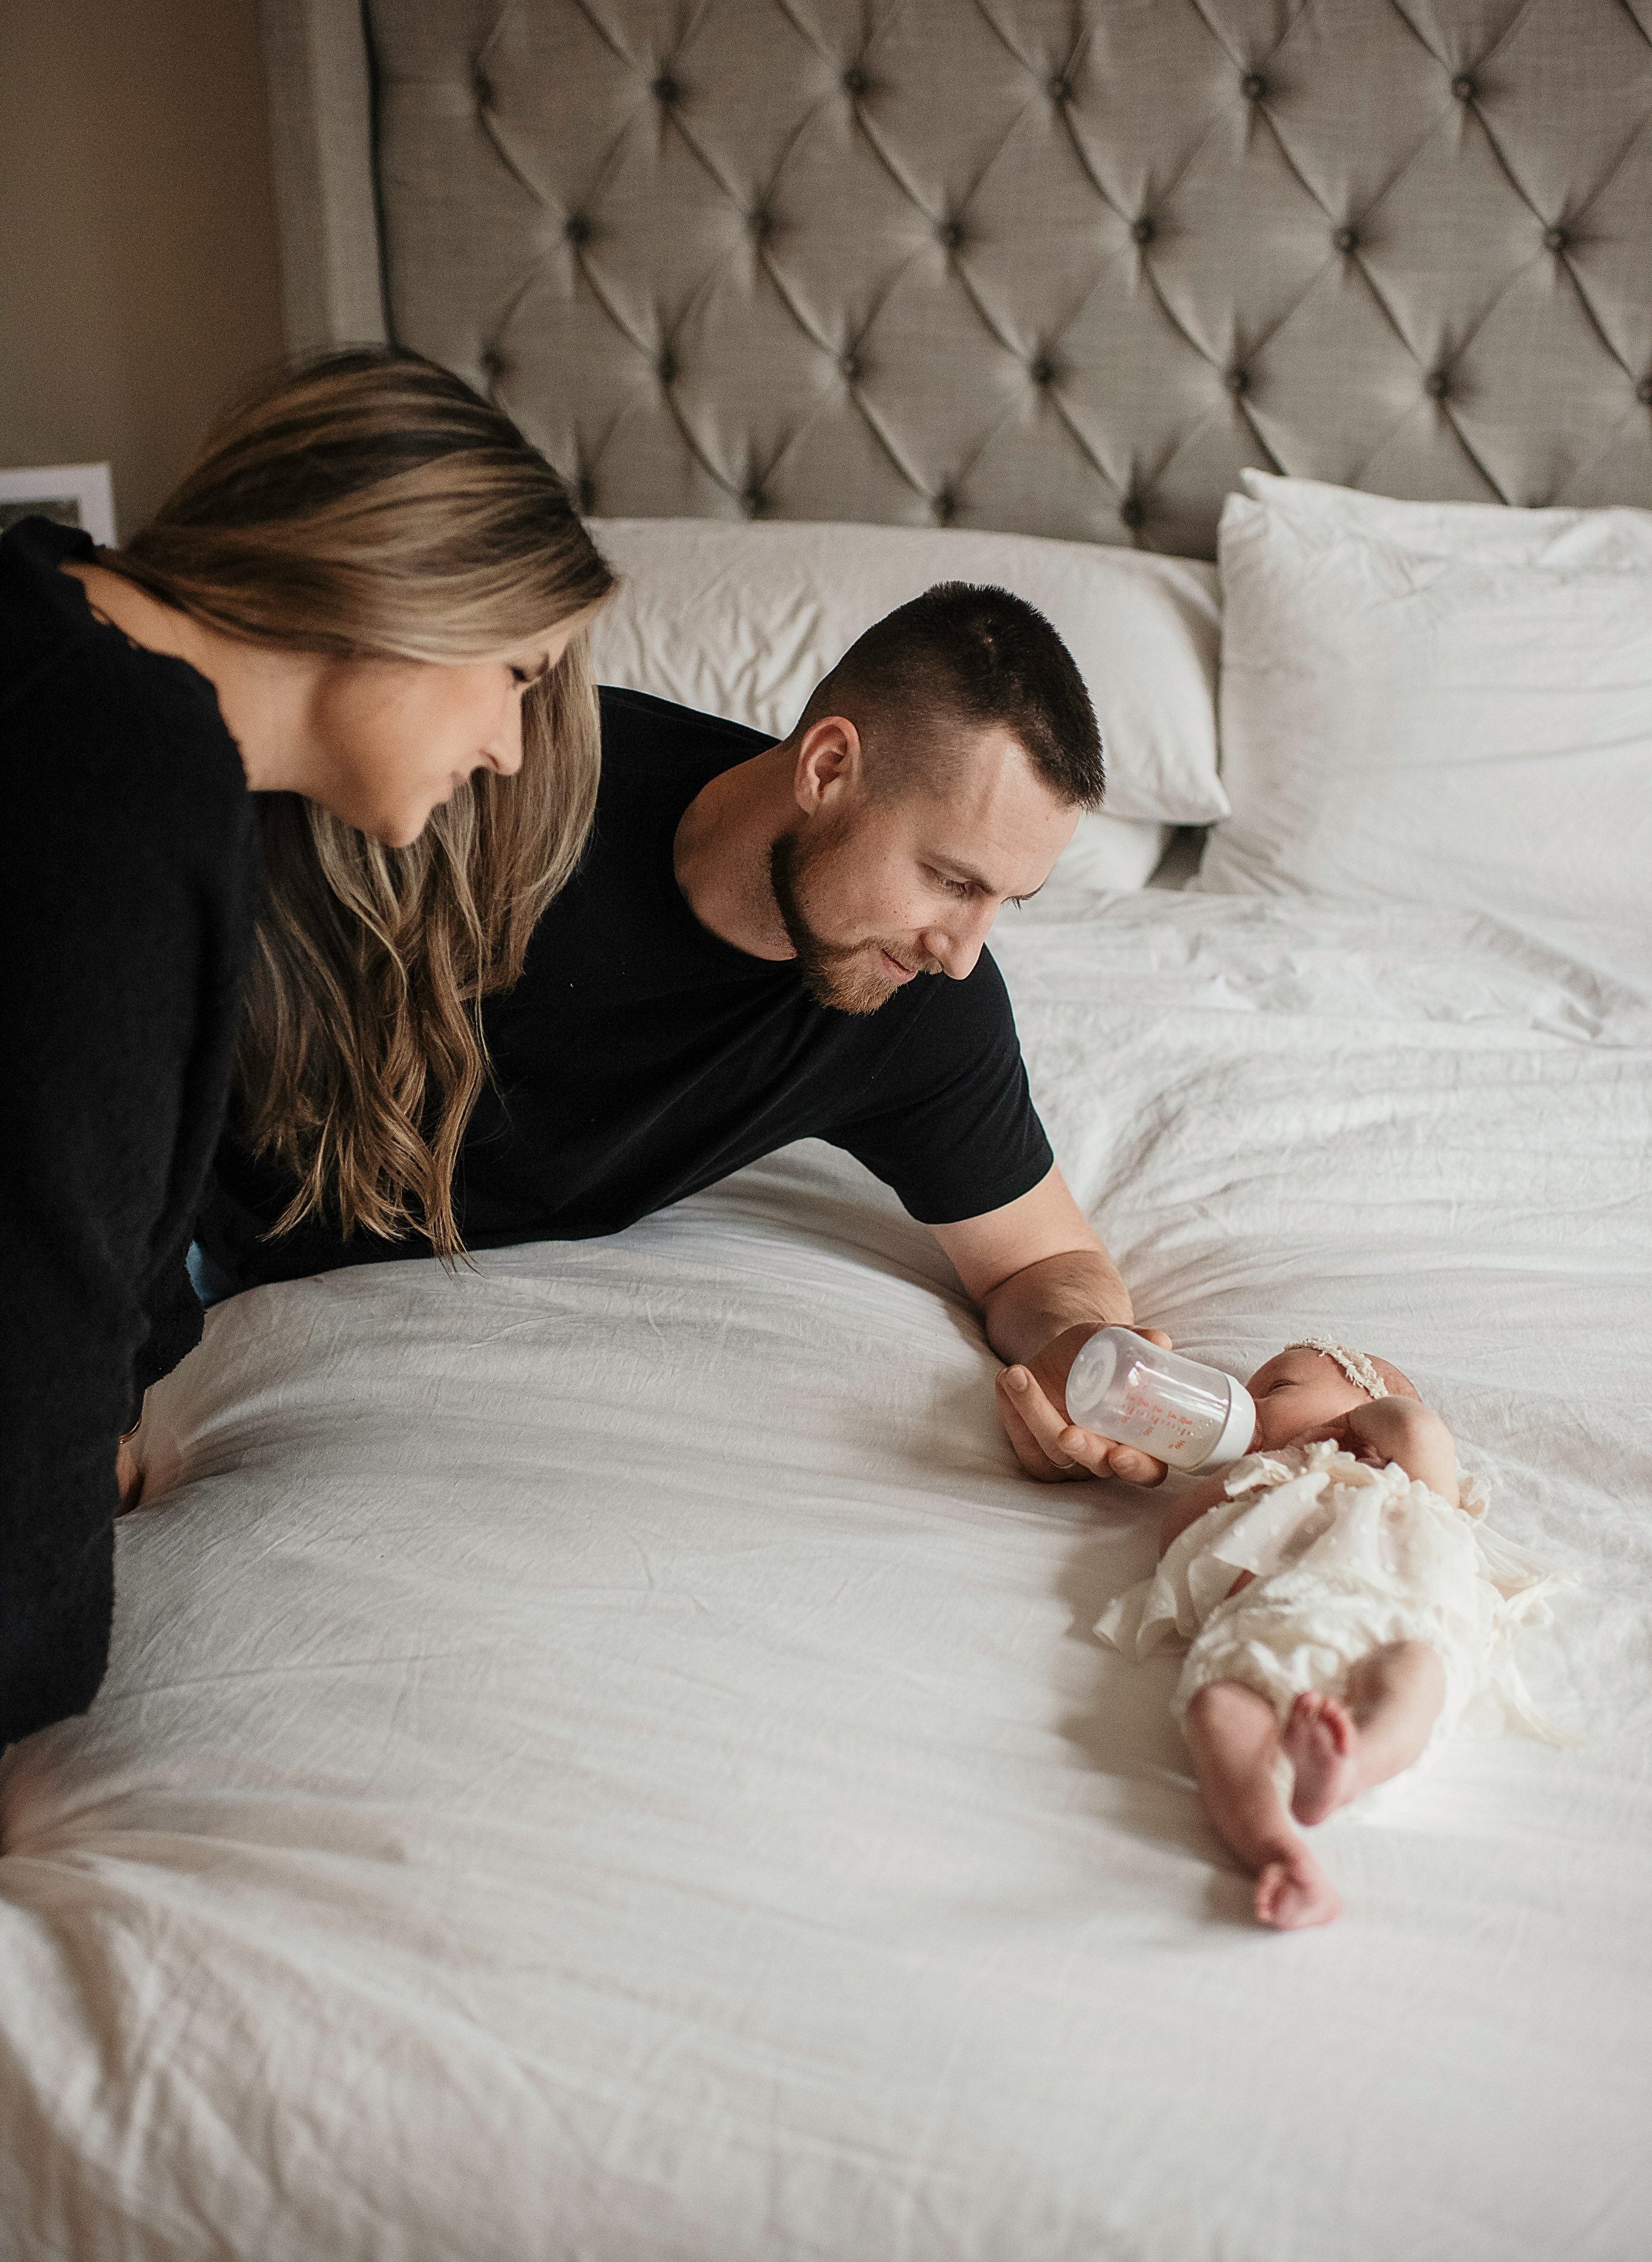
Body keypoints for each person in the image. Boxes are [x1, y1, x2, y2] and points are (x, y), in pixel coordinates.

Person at [201, 583, 1169, 1470]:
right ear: (829, 765)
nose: (961, 947)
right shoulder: (510, 782)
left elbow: (1042, 1260)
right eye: (951, 879)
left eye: (1007, 898)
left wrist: (1080, 1346)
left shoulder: (916, 997)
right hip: (182, 1220)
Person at [1, 348, 613, 1751]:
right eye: (514, 675)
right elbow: (38, 1274)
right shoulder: (130, 775)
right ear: (410, 589)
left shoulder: (54, 624)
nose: (514, 750)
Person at [1098, 1340, 1566, 1931]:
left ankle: (1356, 1761)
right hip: (1263, 1630)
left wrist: (1368, 1425)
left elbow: (1418, 1433)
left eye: (1276, 1388)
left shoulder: (1404, 1480)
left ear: (1362, 1406)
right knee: (1216, 1708)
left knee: (1415, 1674)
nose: (1249, 1400)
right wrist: (1240, 1472)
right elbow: (1179, 1540)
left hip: (1390, 1620)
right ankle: (1278, 1850)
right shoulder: (1262, 1480)